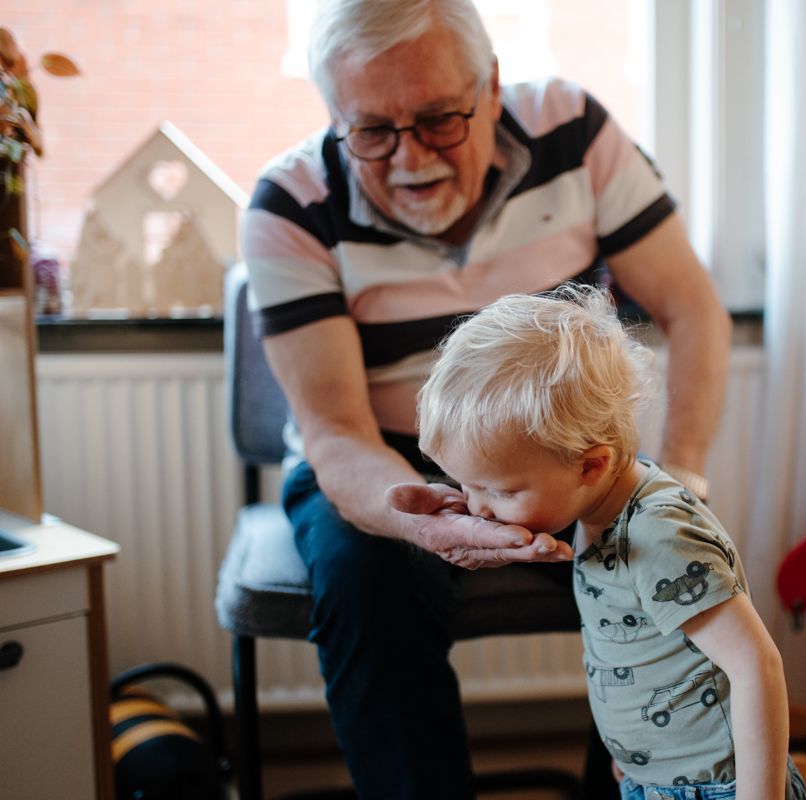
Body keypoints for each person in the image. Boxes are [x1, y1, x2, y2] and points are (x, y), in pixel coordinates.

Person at [240, 0, 732, 796]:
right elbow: (335, 432)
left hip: (558, 443)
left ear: (492, 86)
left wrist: (683, 483)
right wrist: (416, 519)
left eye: (439, 119)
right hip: (382, 456)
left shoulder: (573, 130)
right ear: (333, 116)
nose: (410, 159)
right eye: (372, 131)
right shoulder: (289, 206)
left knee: (666, 558)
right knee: (368, 585)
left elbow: (694, 309)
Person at [413, 286, 806, 800]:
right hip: (655, 780)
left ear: (590, 465)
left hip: (716, 788)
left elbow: (756, 665)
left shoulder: (659, 534)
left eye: (501, 491)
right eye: (467, 485)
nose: (479, 508)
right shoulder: (600, 504)